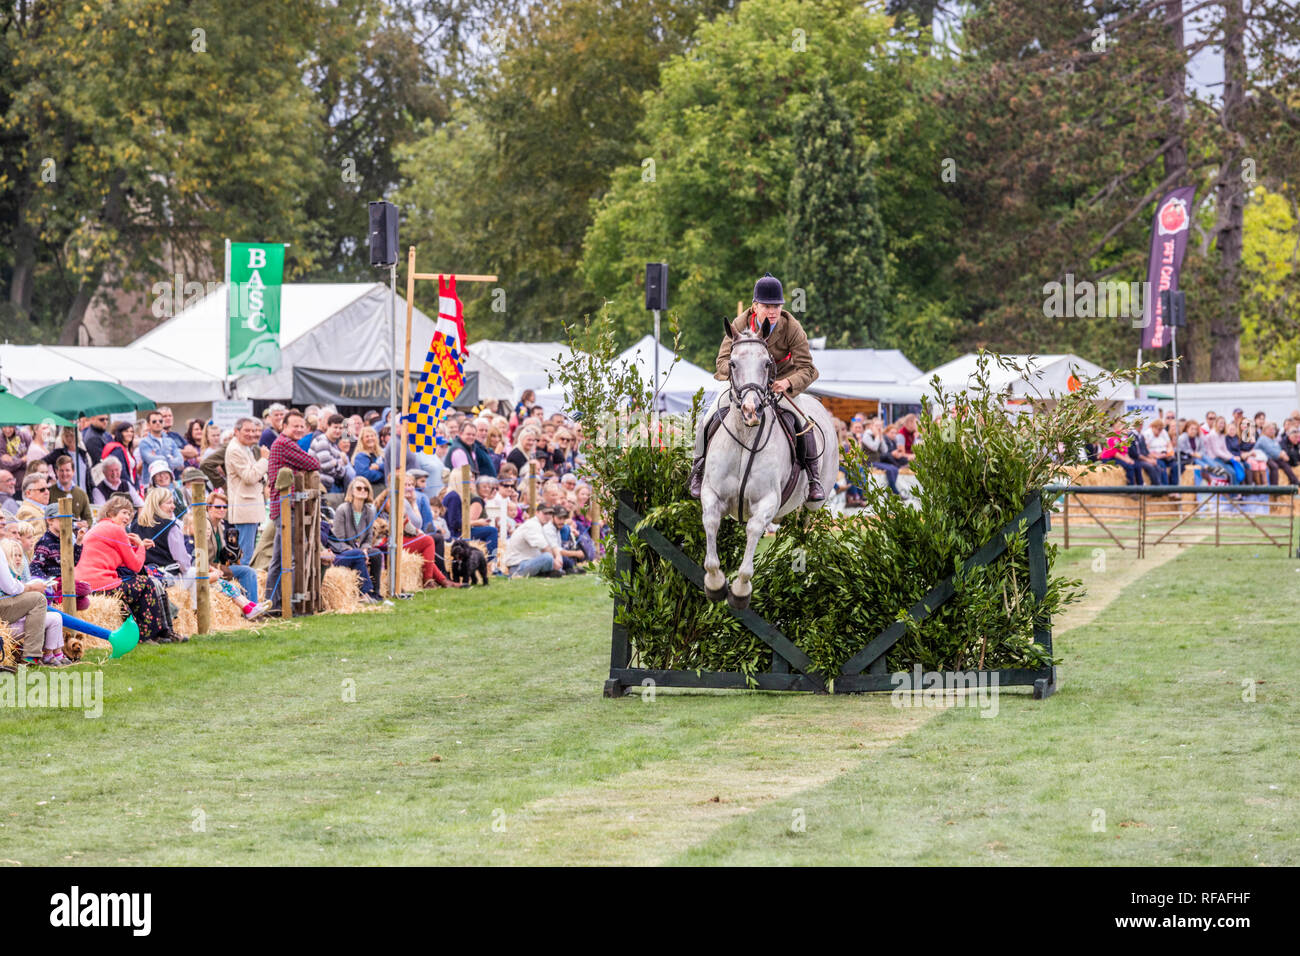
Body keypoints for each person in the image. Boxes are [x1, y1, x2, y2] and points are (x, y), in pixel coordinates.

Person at [691, 272, 823, 500]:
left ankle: (813, 479)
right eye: (766, 306)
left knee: (803, 423)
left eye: (776, 306)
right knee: (708, 417)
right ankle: (698, 470)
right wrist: (741, 378)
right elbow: (721, 362)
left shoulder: (791, 328)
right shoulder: (739, 325)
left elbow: (809, 369)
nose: (772, 311)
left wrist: (788, 382)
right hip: (743, 386)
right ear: (755, 306)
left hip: (780, 385)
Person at [76, 496, 180, 645]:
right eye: (124, 512)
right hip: (102, 585)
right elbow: (135, 566)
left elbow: (124, 559)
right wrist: (142, 547)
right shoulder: (116, 529)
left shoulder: (100, 527)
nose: (127, 517)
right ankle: (147, 636)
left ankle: (160, 632)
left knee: (138, 585)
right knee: (147, 584)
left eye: (130, 514)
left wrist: (138, 546)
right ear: (111, 513)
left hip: (87, 586)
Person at [265, 410, 321, 615]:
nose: (298, 429)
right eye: (294, 426)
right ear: (283, 426)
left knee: (283, 557)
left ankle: (275, 604)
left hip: (286, 507)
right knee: (286, 558)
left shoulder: (287, 444)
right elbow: (314, 464)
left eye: (301, 426)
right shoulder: (285, 444)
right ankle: (277, 604)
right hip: (286, 508)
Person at [202, 489, 268, 617]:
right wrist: (213, 569)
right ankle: (250, 609)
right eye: (218, 506)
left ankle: (252, 607)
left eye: (225, 507)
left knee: (248, 571)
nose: (222, 509)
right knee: (246, 571)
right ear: (209, 507)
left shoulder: (220, 525)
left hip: (219, 566)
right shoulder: (205, 525)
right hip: (208, 568)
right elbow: (199, 554)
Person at [327, 477, 384, 600]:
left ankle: (375, 592)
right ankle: (364, 592)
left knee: (376, 554)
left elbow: (368, 538)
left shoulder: (369, 511)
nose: (362, 490)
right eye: (359, 488)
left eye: (366, 489)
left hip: (360, 550)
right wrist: (359, 552)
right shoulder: (342, 510)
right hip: (342, 551)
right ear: (351, 491)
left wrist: (365, 550)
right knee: (358, 554)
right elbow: (338, 539)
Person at [225, 417, 269, 565]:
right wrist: (264, 460)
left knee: (246, 551)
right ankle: (243, 585)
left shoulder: (243, 447)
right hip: (245, 506)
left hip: (248, 505)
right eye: (247, 430)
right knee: (245, 553)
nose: (251, 434)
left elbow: (254, 474)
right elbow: (250, 477)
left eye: (254, 430)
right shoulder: (235, 450)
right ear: (236, 431)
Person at [131, 487, 190, 576]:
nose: (174, 506)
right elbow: (183, 562)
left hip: (142, 577)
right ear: (157, 505)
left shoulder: (135, 525)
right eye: (169, 503)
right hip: (168, 579)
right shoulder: (171, 527)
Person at [503, 505, 564, 578]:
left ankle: (546, 573)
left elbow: (552, 546)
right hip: (518, 566)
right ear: (537, 513)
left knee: (555, 557)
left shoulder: (541, 525)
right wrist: (554, 560)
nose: (548, 516)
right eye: (545, 513)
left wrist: (558, 557)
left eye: (550, 514)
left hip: (527, 562)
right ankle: (545, 573)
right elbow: (544, 547)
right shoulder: (532, 525)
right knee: (548, 557)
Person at [311, 413, 351, 494]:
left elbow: (341, 467)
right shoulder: (323, 441)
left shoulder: (334, 444)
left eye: (340, 428)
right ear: (328, 426)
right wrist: (338, 463)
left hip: (331, 484)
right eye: (335, 427)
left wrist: (335, 463)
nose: (338, 430)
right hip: (322, 486)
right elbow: (326, 467)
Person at [43, 427, 92, 491]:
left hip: (84, 495)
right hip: (66, 494)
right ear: (63, 437)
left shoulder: (82, 453)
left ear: (77, 436)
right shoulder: (58, 453)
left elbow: (89, 479)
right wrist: (50, 478)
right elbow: (40, 463)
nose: (69, 438)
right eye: (66, 436)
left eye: (72, 435)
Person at [139, 409, 184, 477]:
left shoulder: (170, 441)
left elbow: (180, 461)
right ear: (148, 425)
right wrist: (169, 457)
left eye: (160, 421)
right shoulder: (144, 442)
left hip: (169, 482)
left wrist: (158, 455)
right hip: (151, 483)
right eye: (154, 421)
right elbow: (151, 460)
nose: (158, 423)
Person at [51, 455, 94, 524]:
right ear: (56, 471)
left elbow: (88, 519)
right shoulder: (49, 492)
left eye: (67, 470)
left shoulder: (81, 493)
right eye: (61, 470)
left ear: (73, 471)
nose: (64, 474)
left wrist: (84, 525)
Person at [101, 420, 141, 487]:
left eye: (131, 431)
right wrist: (132, 488)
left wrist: (137, 486)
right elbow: (122, 473)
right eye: (126, 431)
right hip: (123, 487)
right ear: (120, 433)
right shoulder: (117, 450)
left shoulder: (128, 450)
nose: (130, 434)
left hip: (132, 486)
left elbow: (133, 471)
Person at [353, 426, 387, 494]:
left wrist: (378, 467)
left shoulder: (382, 454)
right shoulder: (360, 456)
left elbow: (389, 466)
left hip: (383, 488)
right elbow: (365, 475)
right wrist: (383, 473)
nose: (370, 438)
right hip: (369, 491)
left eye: (372, 436)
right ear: (362, 439)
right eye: (367, 436)